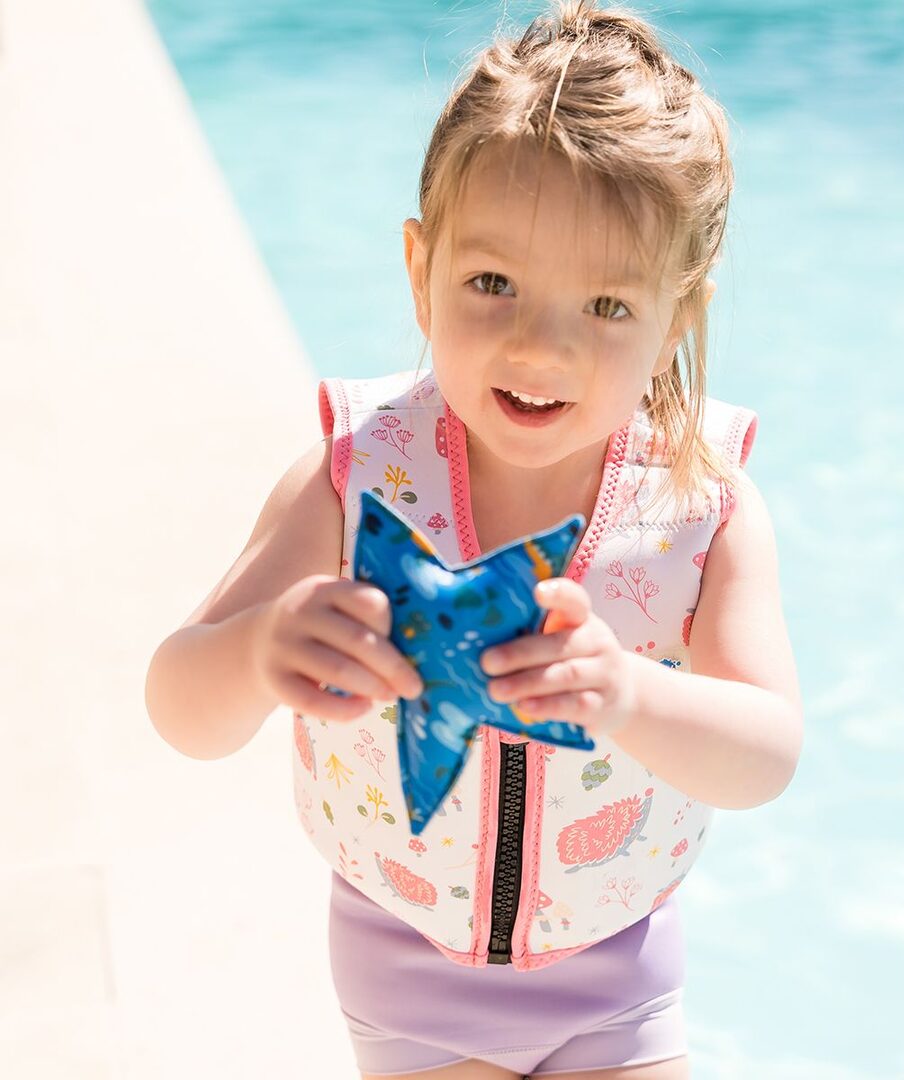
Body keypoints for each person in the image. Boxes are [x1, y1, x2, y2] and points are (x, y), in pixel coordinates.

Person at [144, 1, 803, 1077]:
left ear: (676, 318)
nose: (541, 346)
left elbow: (766, 754)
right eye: (493, 284)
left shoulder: (703, 506)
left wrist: (629, 694)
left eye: (606, 305)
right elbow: (180, 708)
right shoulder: (357, 481)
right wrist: (261, 649)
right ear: (421, 270)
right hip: (407, 966)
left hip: (620, 967)